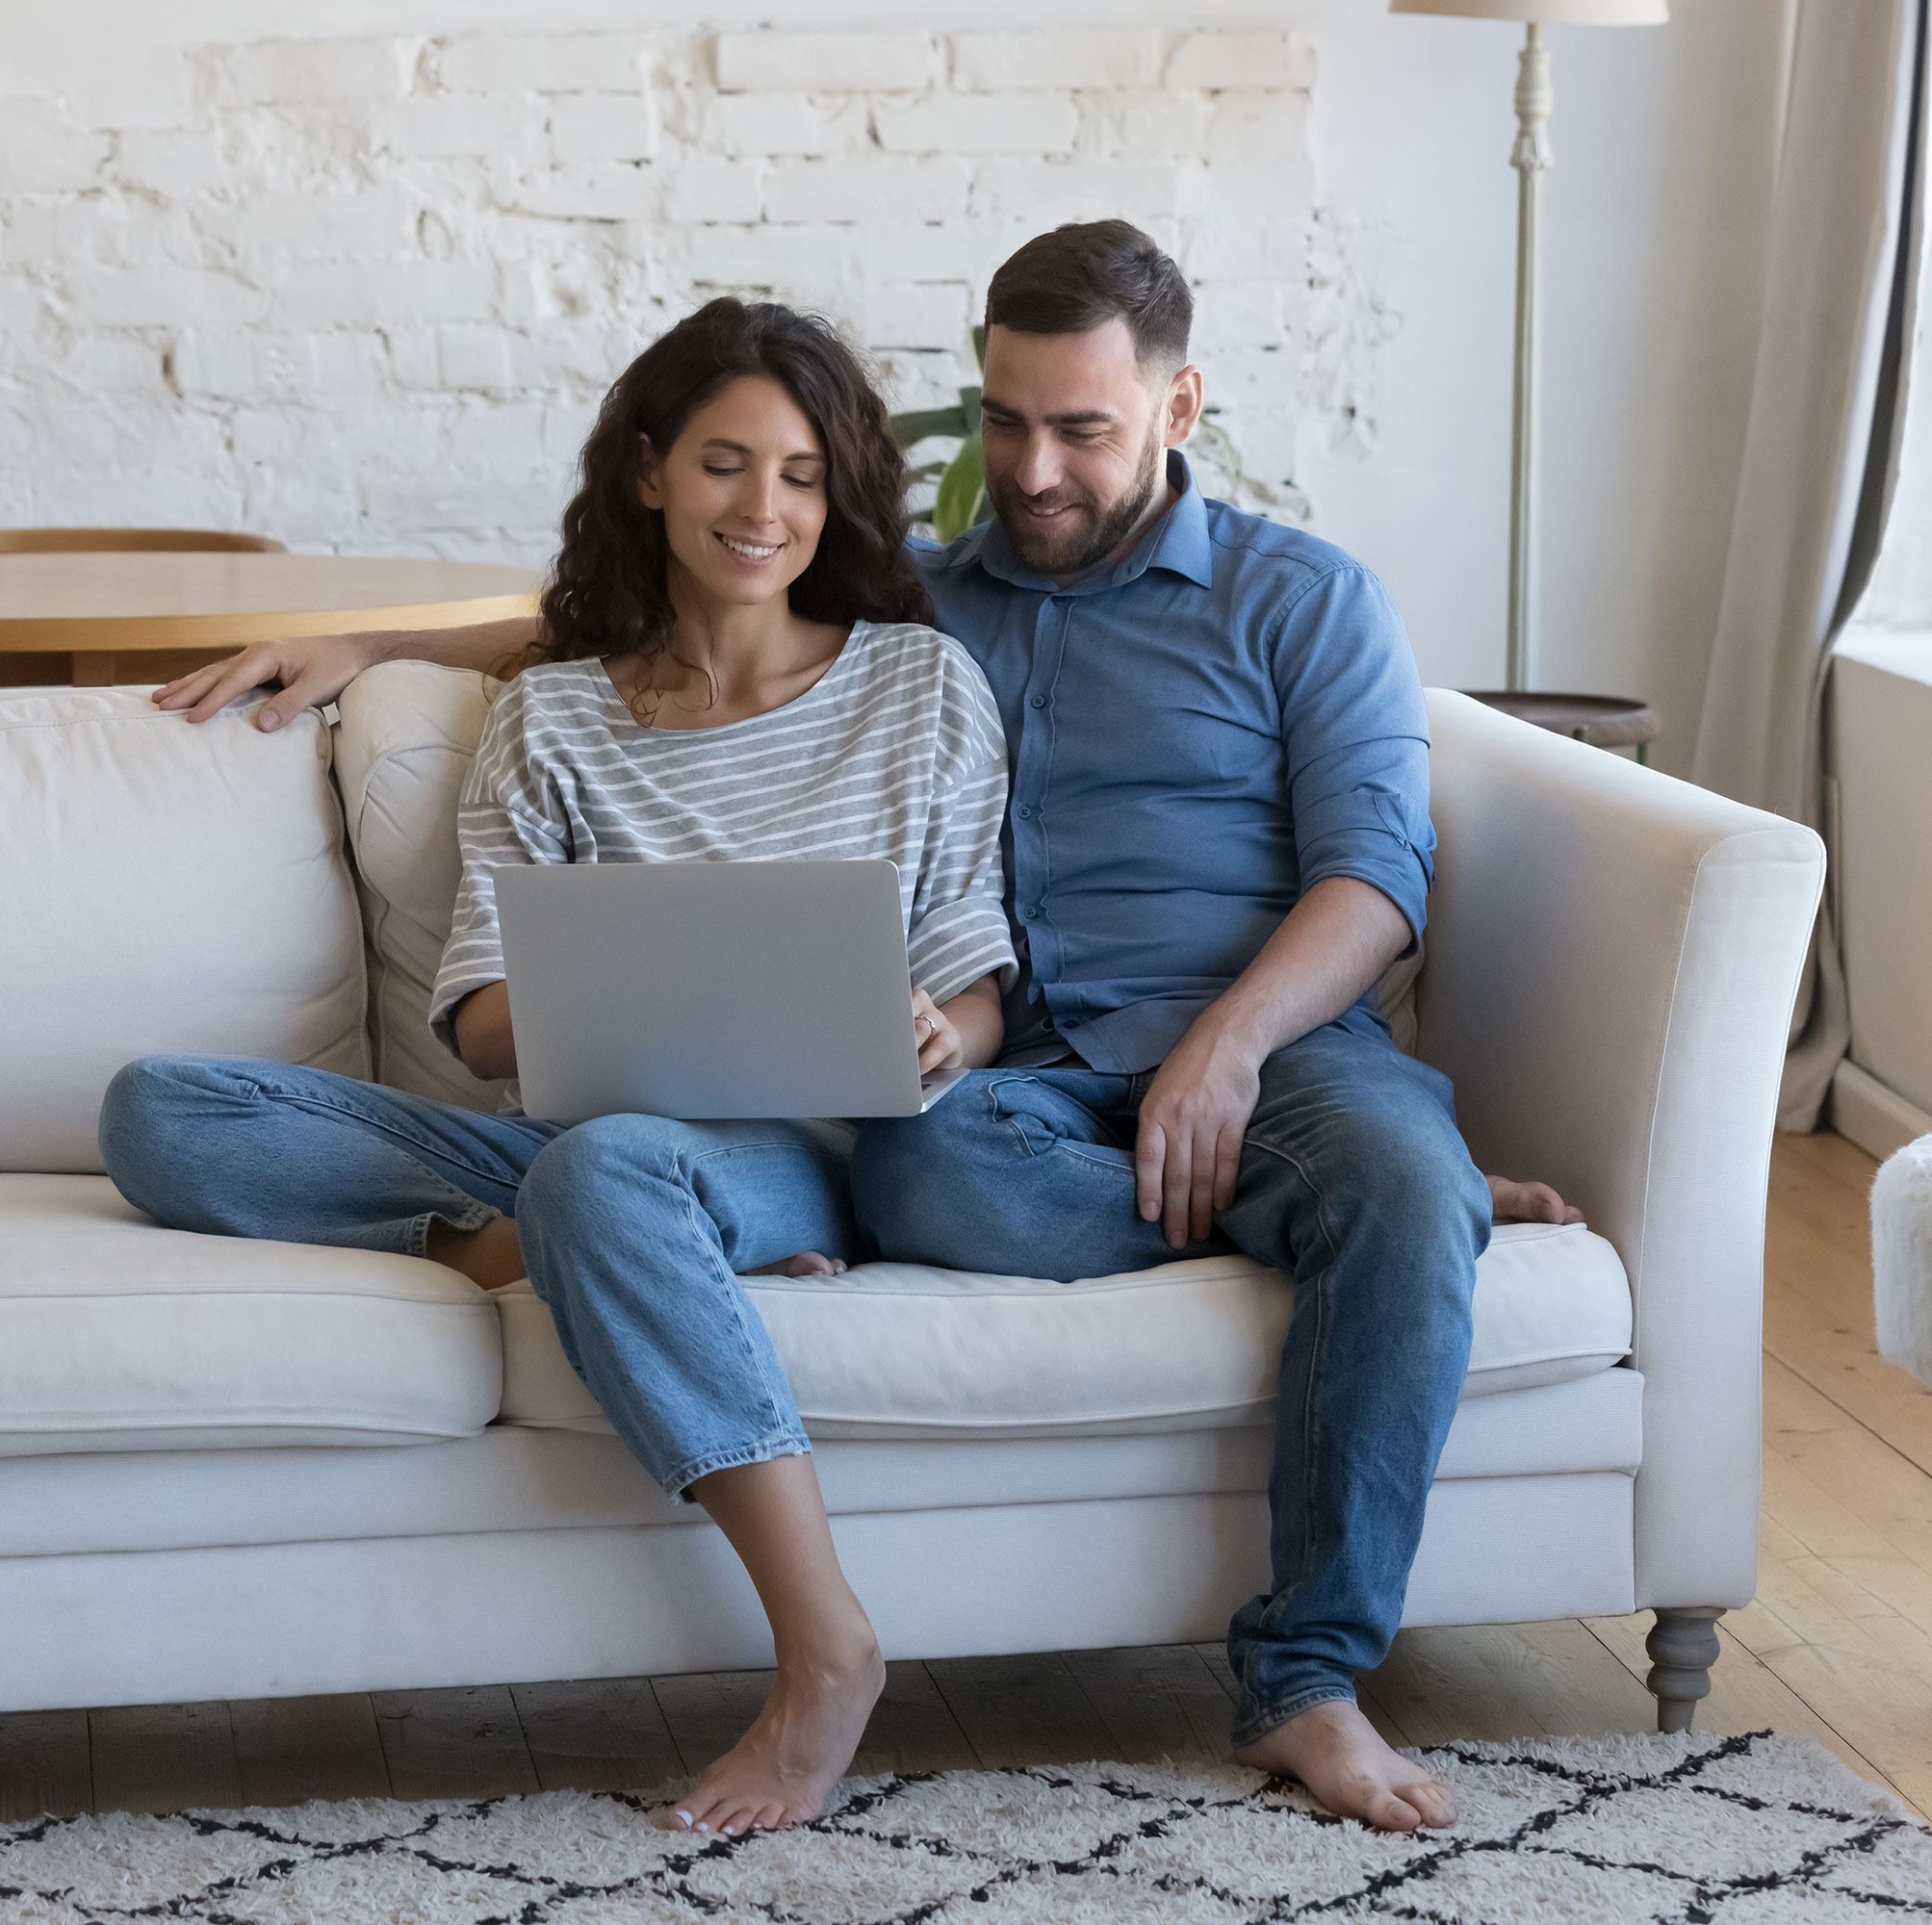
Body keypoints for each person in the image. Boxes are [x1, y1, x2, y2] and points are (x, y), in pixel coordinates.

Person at [151, 223, 1580, 1835]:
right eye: (1007, 423)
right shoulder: (928, 609)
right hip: (1017, 1100)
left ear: (1181, 410)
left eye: (1081, 431)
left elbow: (1380, 873)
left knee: (1380, 1174)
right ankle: (544, 1225)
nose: (1031, 471)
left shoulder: (1297, 601)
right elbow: (664, 608)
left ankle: (1312, 1660)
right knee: (907, 1182)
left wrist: (1230, 1046)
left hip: (1267, 1050)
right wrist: (378, 646)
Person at [101, 297, 1017, 1838]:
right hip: (576, 1141)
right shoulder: (555, 716)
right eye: (728, 465)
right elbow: (475, 1019)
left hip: (797, 1151)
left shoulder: (920, 690)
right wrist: (620, 978)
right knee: (164, 1112)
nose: (764, 509)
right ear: (651, 471)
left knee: (616, 1168)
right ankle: (574, 1254)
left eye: (799, 476)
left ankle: (826, 1649)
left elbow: (977, 978)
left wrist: (943, 1029)